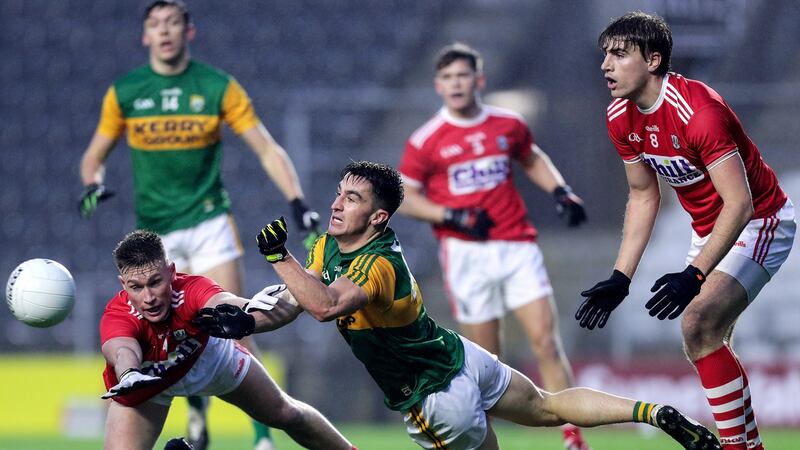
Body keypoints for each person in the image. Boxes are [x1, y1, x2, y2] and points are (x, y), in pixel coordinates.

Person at [195, 161, 720, 450]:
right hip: (458, 355)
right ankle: (654, 413)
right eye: (338, 192)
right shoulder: (327, 247)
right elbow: (295, 300)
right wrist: (248, 319)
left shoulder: (380, 265)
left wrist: (275, 255)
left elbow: (327, 305)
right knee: (545, 405)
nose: (335, 202)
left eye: (352, 198)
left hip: (434, 398)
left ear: (379, 218)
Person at [77, 1, 320, 449]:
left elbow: (266, 147)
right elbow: (94, 155)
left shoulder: (216, 86)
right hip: (157, 238)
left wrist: (297, 198)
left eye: (173, 23)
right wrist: (92, 183)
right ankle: (196, 417)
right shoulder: (126, 92)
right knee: (171, 332)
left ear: (189, 31)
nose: (165, 31)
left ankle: (261, 437)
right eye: (155, 24)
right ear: (144, 36)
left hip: (209, 221)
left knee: (235, 319)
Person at [575, 11, 796, 450]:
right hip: (708, 227)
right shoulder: (620, 116)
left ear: (653, 60)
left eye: (619, 54)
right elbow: (643, 195)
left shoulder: (699, 112)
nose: (606, 65)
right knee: (708, 337)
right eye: (605, 55)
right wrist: (621, 277)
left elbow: (740, 203)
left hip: (759, 220)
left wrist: (693, 274)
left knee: (697, 324)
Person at [397, 43, 590, 450]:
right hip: (465, 254)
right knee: (486, 360)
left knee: (546, 340)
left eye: (463, 76)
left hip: (516, 244)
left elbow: (531, 157)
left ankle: (573, 439)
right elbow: (406, 196)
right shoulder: (426, 140)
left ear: (479, 80)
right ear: (438, 85)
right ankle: (490, 443)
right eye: (448, 78)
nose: (456, 84)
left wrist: (561, 191)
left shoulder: (507, 124)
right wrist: (451, 215)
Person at [99, 230, 354, 450]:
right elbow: (122, 350)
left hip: (210, 361)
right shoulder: (117, 315)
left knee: (285, 412)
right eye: (136, 287)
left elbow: (225, 303)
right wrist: (129, 374)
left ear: (172, 272)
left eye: (155, 282)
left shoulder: (191, 289)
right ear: (123, 284)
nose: (149, 297)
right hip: (149, 383)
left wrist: (246, 310)